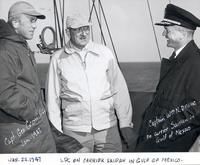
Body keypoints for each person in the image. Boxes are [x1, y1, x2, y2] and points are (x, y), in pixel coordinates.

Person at [0, 1, 87, 153]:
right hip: (21, 138)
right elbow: (4, 93)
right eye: (31, 20)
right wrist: (35, 110)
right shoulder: (6, 50)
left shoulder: (20, 47)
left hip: (33, 132)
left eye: (35, 21)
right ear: (15, 22)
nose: (35, 26)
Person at [46, 13, 137, 152]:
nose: (84, 33)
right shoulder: (57, 59)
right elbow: (52, 99)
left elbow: (119, 89)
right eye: (78, 29)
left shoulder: (105, 53)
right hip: (74, 132)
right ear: (67, 32)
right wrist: (58, 135)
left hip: (108, 128)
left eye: (86, 28)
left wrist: (125, 122)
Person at [136, 4, 200, 152]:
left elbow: (196, 110)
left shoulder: (196, 62)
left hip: (170, 146)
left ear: (182, 34)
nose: (163, 34)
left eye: (167, 30)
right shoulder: (179, 59)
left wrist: (160, 131)